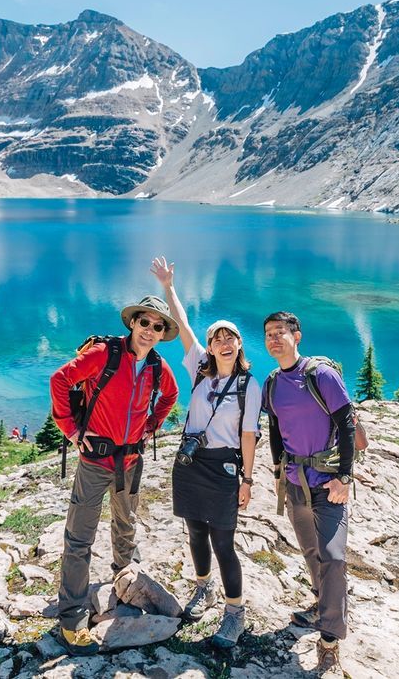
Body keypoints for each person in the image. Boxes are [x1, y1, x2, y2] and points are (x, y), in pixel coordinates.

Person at [49, 294, 180, 656]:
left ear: (162, 333)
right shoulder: (104, 354)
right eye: (144, 322)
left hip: (131, 461)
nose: (149, 330)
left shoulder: (157, 367)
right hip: (95, 461)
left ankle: (125, 582)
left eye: (157, 326)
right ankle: (72, 618)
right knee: (79, 538)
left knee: (126, 525)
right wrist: (71, 430)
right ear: (133, 322)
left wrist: (151, 425)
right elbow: (60, 379)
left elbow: (170, 396)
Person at [151, 256, 259, 650]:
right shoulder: (200, 368)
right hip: (190, 462)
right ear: (210, 347)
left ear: (239, 344)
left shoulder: (249, 386)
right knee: (195, 530)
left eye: (231, 338)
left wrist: (248, 480)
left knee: (223, 542)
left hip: (224, 467)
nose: (224, 343)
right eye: (217, 339)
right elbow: (182, 325)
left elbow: (249, 435)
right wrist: (169, 287)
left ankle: (235, 612)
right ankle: (203, 587)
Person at [263, 311, 366, 678]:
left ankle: (330, 639)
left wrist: (344, 478)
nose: (274, 338)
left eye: (281, 332)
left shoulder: (320, 375)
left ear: (297, 336)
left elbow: (347, 424)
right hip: (295, 483)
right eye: (269, 334)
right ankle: (322, 605)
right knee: (311, 551)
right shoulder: (272, 383)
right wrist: (279, 472)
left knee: (333, 557)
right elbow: (275, 430)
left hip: (327, 483)